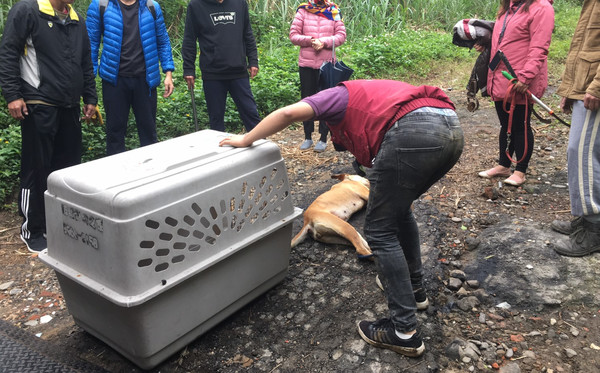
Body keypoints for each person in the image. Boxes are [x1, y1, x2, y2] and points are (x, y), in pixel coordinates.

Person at [219, 79, 464, 357]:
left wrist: (245, 139)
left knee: (379, 231)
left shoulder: (335, 95)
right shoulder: (377, 93)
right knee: (400, 209)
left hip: (413, 131)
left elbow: (287, 114)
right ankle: (416, 289)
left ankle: (403, 332)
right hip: (450, 128)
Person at [0, 0, 98, 252]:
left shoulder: (76, 19)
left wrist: (90, 97)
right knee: (37, 166)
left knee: (67, 168)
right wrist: (12, 95)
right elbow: (8, 52)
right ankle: (32, 229)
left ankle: (60, 224)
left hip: (69, 105)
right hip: (38, 102)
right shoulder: (28, 11)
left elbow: (85, 61)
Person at [476, 0, 554, 186]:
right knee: (505, 124)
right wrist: (485, 43)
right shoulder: (507, 8)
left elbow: (539, 47)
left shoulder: (541, 8)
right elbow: (505, 38)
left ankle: (520, 171)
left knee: (520, 125)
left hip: (519, 79)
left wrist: (526, 77)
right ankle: (504, 165)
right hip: (500, 77)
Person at [86, 0, 175, 156]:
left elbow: (163, 40)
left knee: (149, 133)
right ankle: (117, 177)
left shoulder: (151, 7)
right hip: (114, 81)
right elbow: (90, 44)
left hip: (145, 81)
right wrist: (89, 81)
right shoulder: (101, 5)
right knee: (115, 134)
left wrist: (168, 73)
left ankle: (151, 175)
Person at [551, 0, 600, 257]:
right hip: (585, 85)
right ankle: (586, 219)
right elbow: (583, 44)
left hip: (594, 86)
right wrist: (570, 90)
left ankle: (595, 228)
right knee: (583, 152)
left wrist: (596, 86)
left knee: (581, 153)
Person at [182, 0, 260, 133]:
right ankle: (220, 151)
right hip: (212, 73)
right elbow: (189, 39)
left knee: (251, 113)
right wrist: (189, 69)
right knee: (216, 119)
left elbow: (247, 33)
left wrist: (253, 60)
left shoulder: (239, 3)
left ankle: (261, 146)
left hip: (238, 71)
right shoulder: (196, 5)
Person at [289, 0, 346, 153]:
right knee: (306, 100)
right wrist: (310, 40)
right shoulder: (303, 10)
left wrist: (324, 42)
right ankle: (307, 136)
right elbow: (293, 35)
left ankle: (323, 137)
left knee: (327, 100)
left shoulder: (334, 11)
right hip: (306, 65)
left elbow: (341, 36)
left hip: (327, 65)